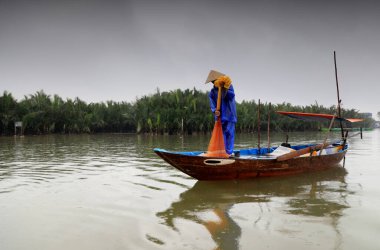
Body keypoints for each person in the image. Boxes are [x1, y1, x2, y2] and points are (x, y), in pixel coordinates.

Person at [205, 70, 237, 155]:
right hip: (220, 116)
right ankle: (221, 152)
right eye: (212, 82)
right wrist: (215, 110)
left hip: (229, 114)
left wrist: (224, 88)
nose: (213, 82)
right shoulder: (212, 92)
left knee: (229, 133)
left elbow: (231, 96)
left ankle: (229, 153)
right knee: (221, 135)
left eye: (214, 81)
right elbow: (212, 104)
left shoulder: (229, 86)